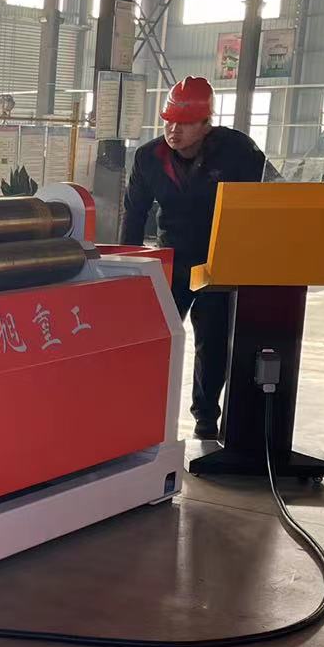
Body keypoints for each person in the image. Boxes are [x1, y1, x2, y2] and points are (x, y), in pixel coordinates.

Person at [121, 75, 273, 439]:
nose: (174, 130)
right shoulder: (149, 157)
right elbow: (134, 214)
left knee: (213, 340)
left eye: (185, 123)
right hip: (172, 259)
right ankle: (145, 409)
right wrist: (128, 268)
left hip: (218, 262)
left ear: (206, 124)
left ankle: (206, 417)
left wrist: (250, 258)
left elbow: (263, 202)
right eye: (169, 121)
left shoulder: (238, 152)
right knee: (157, 338)